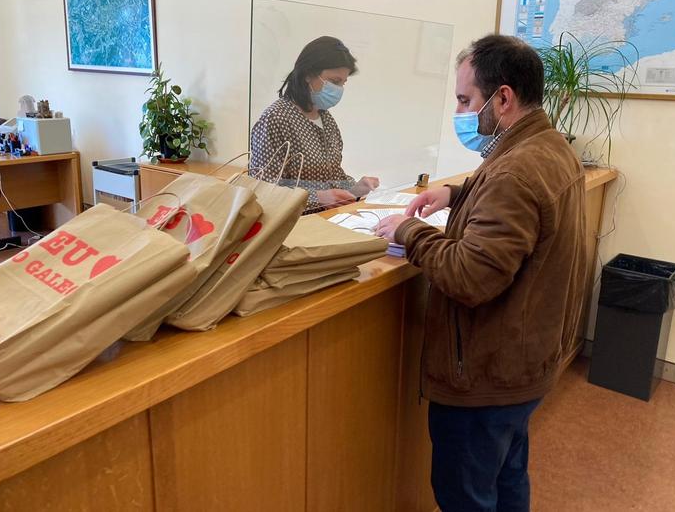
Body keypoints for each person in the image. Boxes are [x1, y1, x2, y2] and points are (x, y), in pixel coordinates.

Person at [375, 35, 587, 512]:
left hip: (485, 375)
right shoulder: (550, 147)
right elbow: (509, 193)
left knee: (467, 495)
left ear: (504, 98)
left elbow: (471, 277)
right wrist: (455, 194)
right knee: (508, 479)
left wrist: (410, 232)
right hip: (524, 365)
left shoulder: (516, 172)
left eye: (465, 100)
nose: (461, 111)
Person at [250, 36, 379, 212]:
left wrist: (355, 188)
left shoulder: (326, 119)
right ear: (308, 75)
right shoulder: (275, 119)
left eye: (343, 83)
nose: (339, 89)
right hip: (292, 225)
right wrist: (316, 197)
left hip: (327, 219)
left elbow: (332, 176)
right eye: (334, 81)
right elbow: (263, 190)